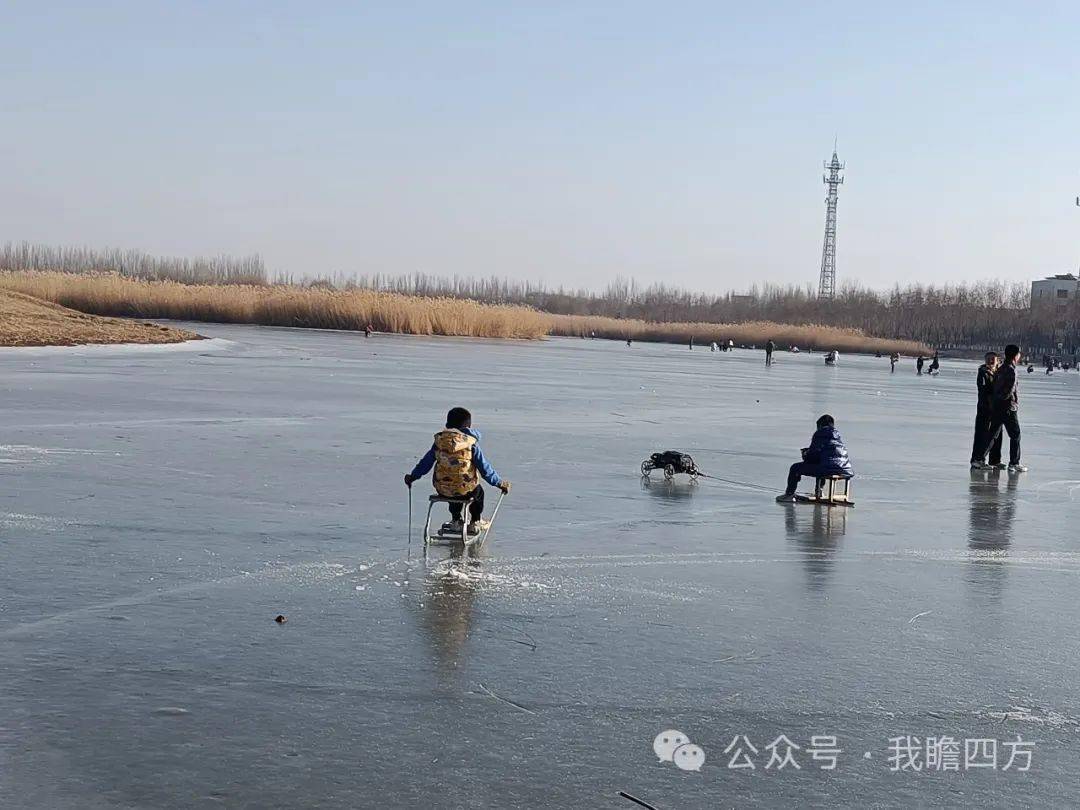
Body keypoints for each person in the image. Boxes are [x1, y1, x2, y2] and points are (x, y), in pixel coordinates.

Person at [404, 407, 511, 535]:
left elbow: (425, 464)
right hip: (466, 490)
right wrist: (499, 483)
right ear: (469, 427)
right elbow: (485, 469)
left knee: (450, 485)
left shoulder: (439, 443)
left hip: (442, 489)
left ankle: (456, 520)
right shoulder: (471, 445)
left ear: (447, 425)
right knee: (478, 492)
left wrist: (413, 476)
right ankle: (475, 521)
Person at [775, 414, 854, 502]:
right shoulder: (837, 437)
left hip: (828, 468)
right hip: (844, 469)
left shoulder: (820, 434)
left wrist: (805, 454)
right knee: (823, 463)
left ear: (820, 425)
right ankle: (819, 491)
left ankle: (789, 494)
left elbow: (812, 455)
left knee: (795, 468)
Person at [979, 344, 1026, 473]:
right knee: (1015, 434)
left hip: (997, 406)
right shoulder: (1011, 370)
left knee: (993, 434)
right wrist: (1006, 402)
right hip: (1008, 407)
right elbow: (1009, 390)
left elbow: (995, 387)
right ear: (1015, 355)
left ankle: (980, 459)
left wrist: (996, 401)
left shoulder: (1001, 368)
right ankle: (1014, 463)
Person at [970, 352, 1004, 470]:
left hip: (997, 408)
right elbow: (984, 391)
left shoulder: (999, 372)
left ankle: (995, 460)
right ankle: (976, 459)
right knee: (981, 434)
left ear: (998, 360)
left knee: (997, 435)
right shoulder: (983, 372)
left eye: (993, 359)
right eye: (988, 359)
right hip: (985, 408)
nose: (990, 361)